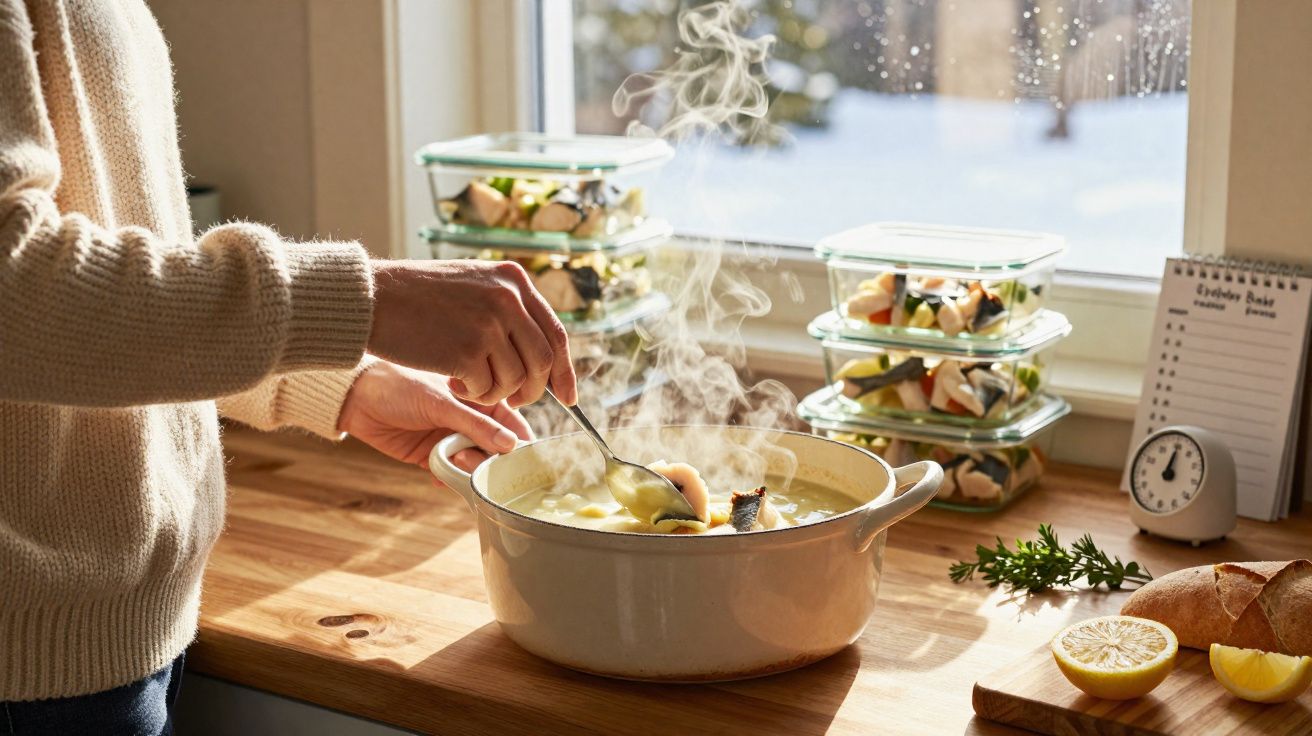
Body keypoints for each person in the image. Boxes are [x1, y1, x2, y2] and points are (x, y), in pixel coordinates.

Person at [0, 1, 578, 733]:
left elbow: (115, 259)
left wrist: (336, 385)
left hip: (115, 634)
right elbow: (12, 291)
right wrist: (371, 300)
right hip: (28, 669)